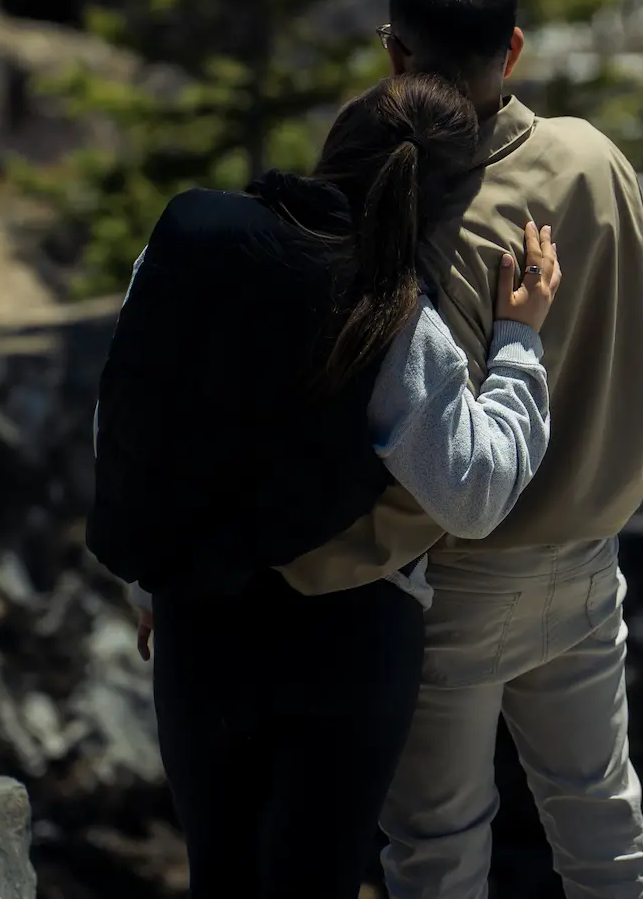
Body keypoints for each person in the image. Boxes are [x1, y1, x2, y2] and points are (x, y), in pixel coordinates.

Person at [88, 71, 565, 899]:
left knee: (221, 877)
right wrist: (520, 341)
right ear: (448, 202)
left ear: (335, 146)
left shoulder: (188, 233)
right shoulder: (392, 314)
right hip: (351, 635)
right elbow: (474, 494)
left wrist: (146, 580)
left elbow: (129, 416)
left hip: (200, 626)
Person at [280, 0, 643, 898]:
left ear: (393, 56)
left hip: (457, 579)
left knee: (438, 851)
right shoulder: (594, 157)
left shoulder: (404, 212)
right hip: (591, 557)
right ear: (516, 50)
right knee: (606, 830)